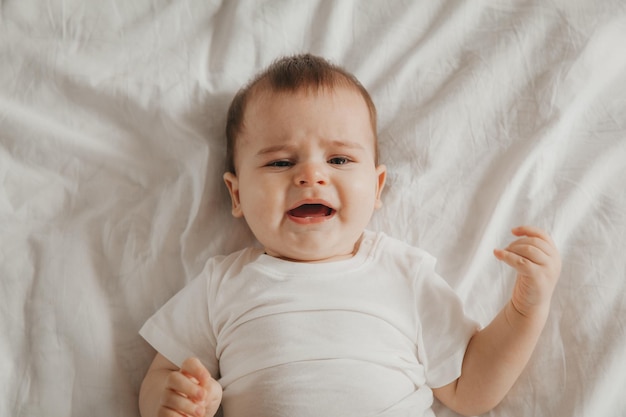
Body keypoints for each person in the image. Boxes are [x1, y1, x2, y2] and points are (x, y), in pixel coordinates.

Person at [138, 54, 561, 417]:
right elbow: (160, 373)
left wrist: (525, 311)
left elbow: (469, 387)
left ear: (377, 188)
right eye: (280, 163)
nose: (311, 176)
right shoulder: (221, 285)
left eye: (338, 158)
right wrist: (173, 399)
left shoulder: (404, 273)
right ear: (237, 194)